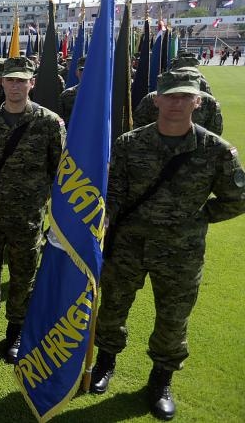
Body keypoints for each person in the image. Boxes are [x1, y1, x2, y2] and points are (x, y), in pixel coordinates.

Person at [90, 70, 245, 420]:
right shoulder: (130, 143)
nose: (177, 103)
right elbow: (113, 192)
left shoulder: (215, 150)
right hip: (128, 245)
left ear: (197, 101)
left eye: (185, 96)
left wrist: (197, 218)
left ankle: (161, 379)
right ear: (156, 99)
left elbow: (237, 198)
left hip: (180, 252)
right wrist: (104, 221)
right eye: (170, 95)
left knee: (173, 318)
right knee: (113, 308)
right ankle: (105, 361)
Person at [0, 57, 65, 363]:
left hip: (28, 218)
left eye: (22, 80)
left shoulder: (50, 123)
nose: (15, 86)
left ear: (31, 84)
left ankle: (16, 331)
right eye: (10, 80)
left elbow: (61, 172)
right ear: (2, 83)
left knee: (23, 277)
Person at [58, 56, 85, 127]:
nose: (85, 73)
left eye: (89, 70)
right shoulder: (66, 95)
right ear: (76, 72)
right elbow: (60, 121)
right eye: (81, 70)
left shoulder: (103, 96)